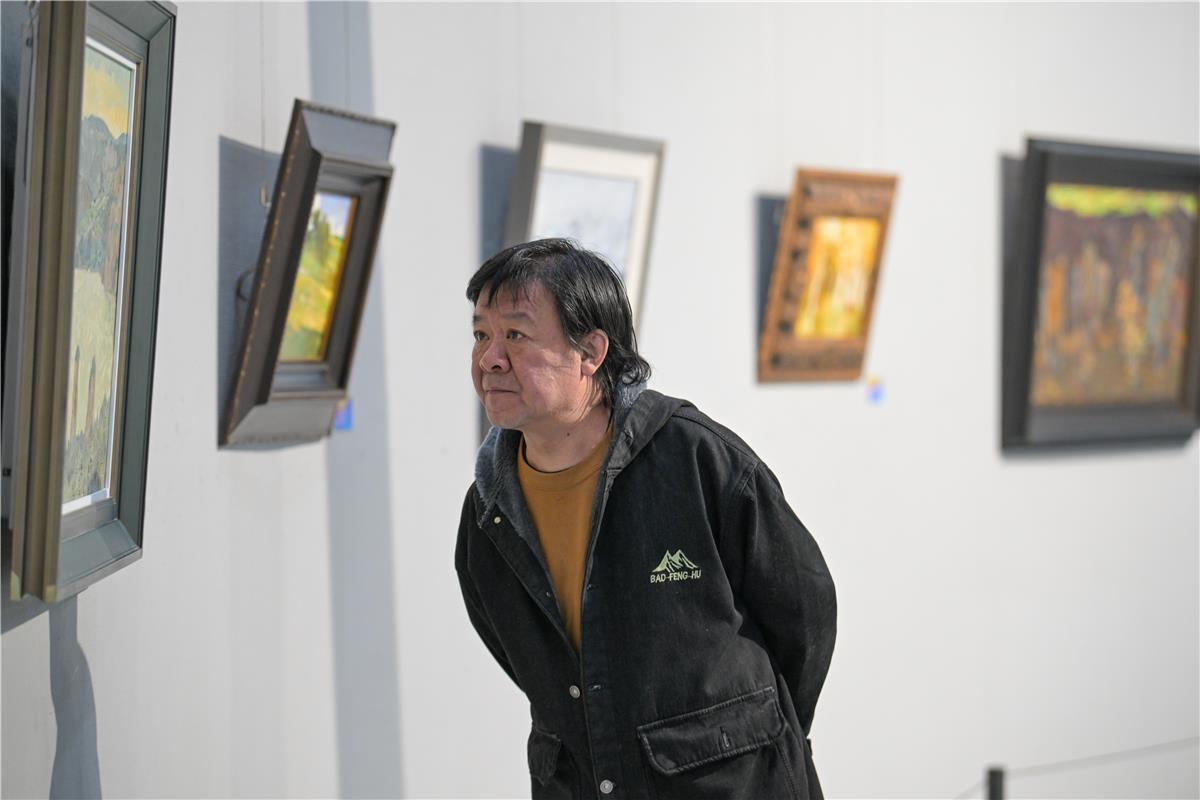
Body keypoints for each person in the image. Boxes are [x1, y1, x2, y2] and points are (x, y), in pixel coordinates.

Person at [456, 238, 837, 800]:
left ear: (591, 352)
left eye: (516, 334)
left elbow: (804, 612)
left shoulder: (696, 459)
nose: (490, 358)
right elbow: (527, 660)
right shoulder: (488, 511)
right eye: (480, 335)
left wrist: (749, 735)